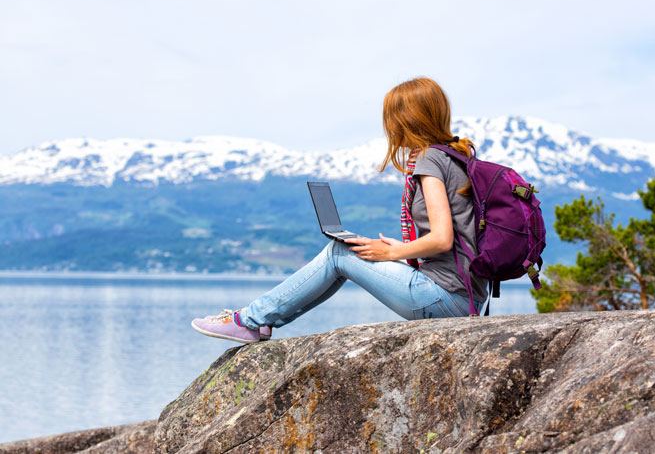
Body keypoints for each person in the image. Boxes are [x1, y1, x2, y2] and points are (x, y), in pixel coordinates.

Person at [191, 77, 488, 344]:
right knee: (348, 251)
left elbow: (443, 238)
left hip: (445, 299)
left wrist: (391, 254)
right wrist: (404, 248)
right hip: (462, 297)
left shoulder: (429, 160)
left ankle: (251, 321)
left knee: (338, 253)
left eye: (392, 118)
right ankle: (260, 321)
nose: (390, 126)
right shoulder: (454, 157)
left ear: (407, 119)